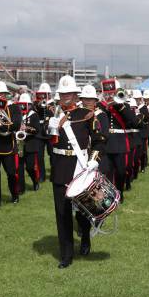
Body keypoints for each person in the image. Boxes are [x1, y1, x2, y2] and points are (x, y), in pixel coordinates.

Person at [46, 75, 106, 269]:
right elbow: (44, 140)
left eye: (69, 93)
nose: (66, 97)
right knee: (62, 213)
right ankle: (66, 254)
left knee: (82, 210)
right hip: (60, 167)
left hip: (81, 166)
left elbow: (99, 139)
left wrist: (94, 160)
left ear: (75, 94)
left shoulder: (86, 114)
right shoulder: (52, 114)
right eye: (63, 93)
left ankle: (85, 236)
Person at [99, 79, 135, 200]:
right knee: (107, 171)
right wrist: (106, 107)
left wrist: (119, 106)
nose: (109, 95)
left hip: (119, 142)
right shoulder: (100, 106)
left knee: (120, 171)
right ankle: (109, 194)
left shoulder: (123, 106)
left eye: (112, 93)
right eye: (107, 93)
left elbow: (132, 121)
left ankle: (119, 191)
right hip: (106, 143)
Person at [16, 93, 42, 193]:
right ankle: (21, 189)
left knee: (30, 167)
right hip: (20, 144)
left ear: (29, 105)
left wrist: (26, 128)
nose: (22, 106)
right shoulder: (18, 115)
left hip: (31, 143)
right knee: (19, 168)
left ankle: (35, 181)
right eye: (21, 104)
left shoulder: (34, 115)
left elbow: (37, 130)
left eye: (25, 104)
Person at [34, 82, 53, 182]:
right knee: (40, 156)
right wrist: (39, 105)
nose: (44, 96)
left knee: (52, 155)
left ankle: (53, 174)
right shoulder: (36, 104)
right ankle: (42, 176)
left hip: (50, 132)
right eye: (42, 94)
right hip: (39, 133)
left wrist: (49, 108)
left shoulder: (53, 104)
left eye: (46, 94)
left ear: (49, 94)